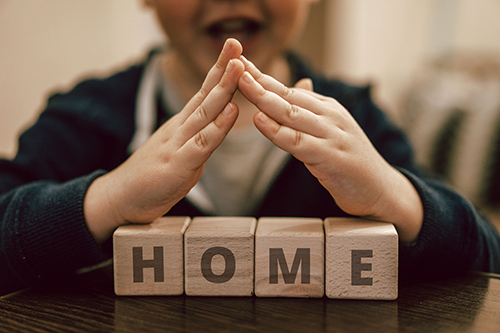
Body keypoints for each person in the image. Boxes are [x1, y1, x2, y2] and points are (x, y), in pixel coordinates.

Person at [1, 0, 499, 296]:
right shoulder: (86, 115)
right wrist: (108, 198)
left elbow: (486, 254)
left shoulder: (357, 115)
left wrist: (393, 194)